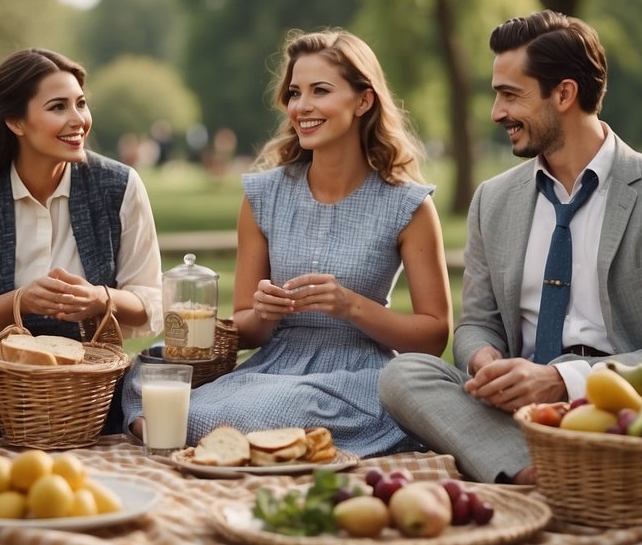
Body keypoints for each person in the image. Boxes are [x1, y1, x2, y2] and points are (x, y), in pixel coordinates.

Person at [379, 10, 642, 484]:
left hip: (639, 413)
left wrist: (560, 380)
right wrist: (486, 361)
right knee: (403, 375)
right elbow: (476, 323)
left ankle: (547, 467)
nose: (497, 113)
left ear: (564, 93)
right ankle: (540, 472)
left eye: (510, 95)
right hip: (529, 414)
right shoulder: (492, 202)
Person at [121, 29, 453, 457]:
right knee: (145, 371)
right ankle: (218, 438)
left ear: (363, 101)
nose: (302, 106)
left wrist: (349, 305)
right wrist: (263, 311)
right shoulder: (263, 195)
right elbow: (248, 327)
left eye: (321, 90)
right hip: (272, 366)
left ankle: (190, 435)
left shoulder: (407, 204)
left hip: (356, 375)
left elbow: (433, 336)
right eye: (295, 92)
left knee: (273, 407)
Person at [0, 48, 164, 435]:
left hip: (94, 391)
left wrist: (99, 299)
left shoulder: (120, 186)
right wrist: (20, 301)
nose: (79, 121)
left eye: (81, 104)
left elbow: (152, 305)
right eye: (59, 107)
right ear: (16, 122)